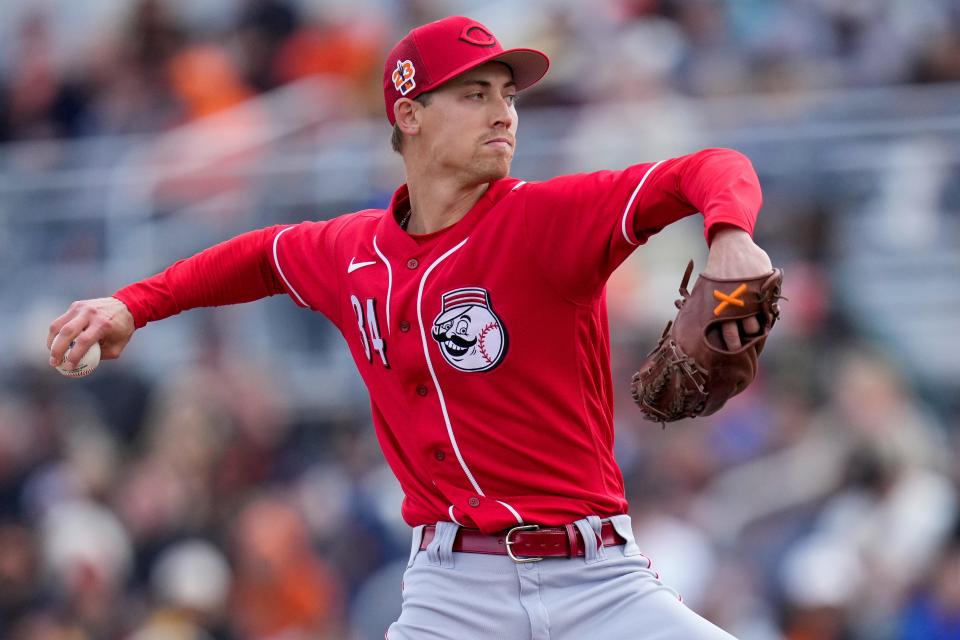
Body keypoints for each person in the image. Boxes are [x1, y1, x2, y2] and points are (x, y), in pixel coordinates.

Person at [48, 16, 772, 639]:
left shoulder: (548, 219)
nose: (504, 113)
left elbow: (710, 167)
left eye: (508, 95)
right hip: (453, 592)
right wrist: (133, 304)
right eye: (474, 94)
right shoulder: (352, 252)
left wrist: (732, 234)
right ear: (409, 113)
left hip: (600, 582)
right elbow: (258, 257)